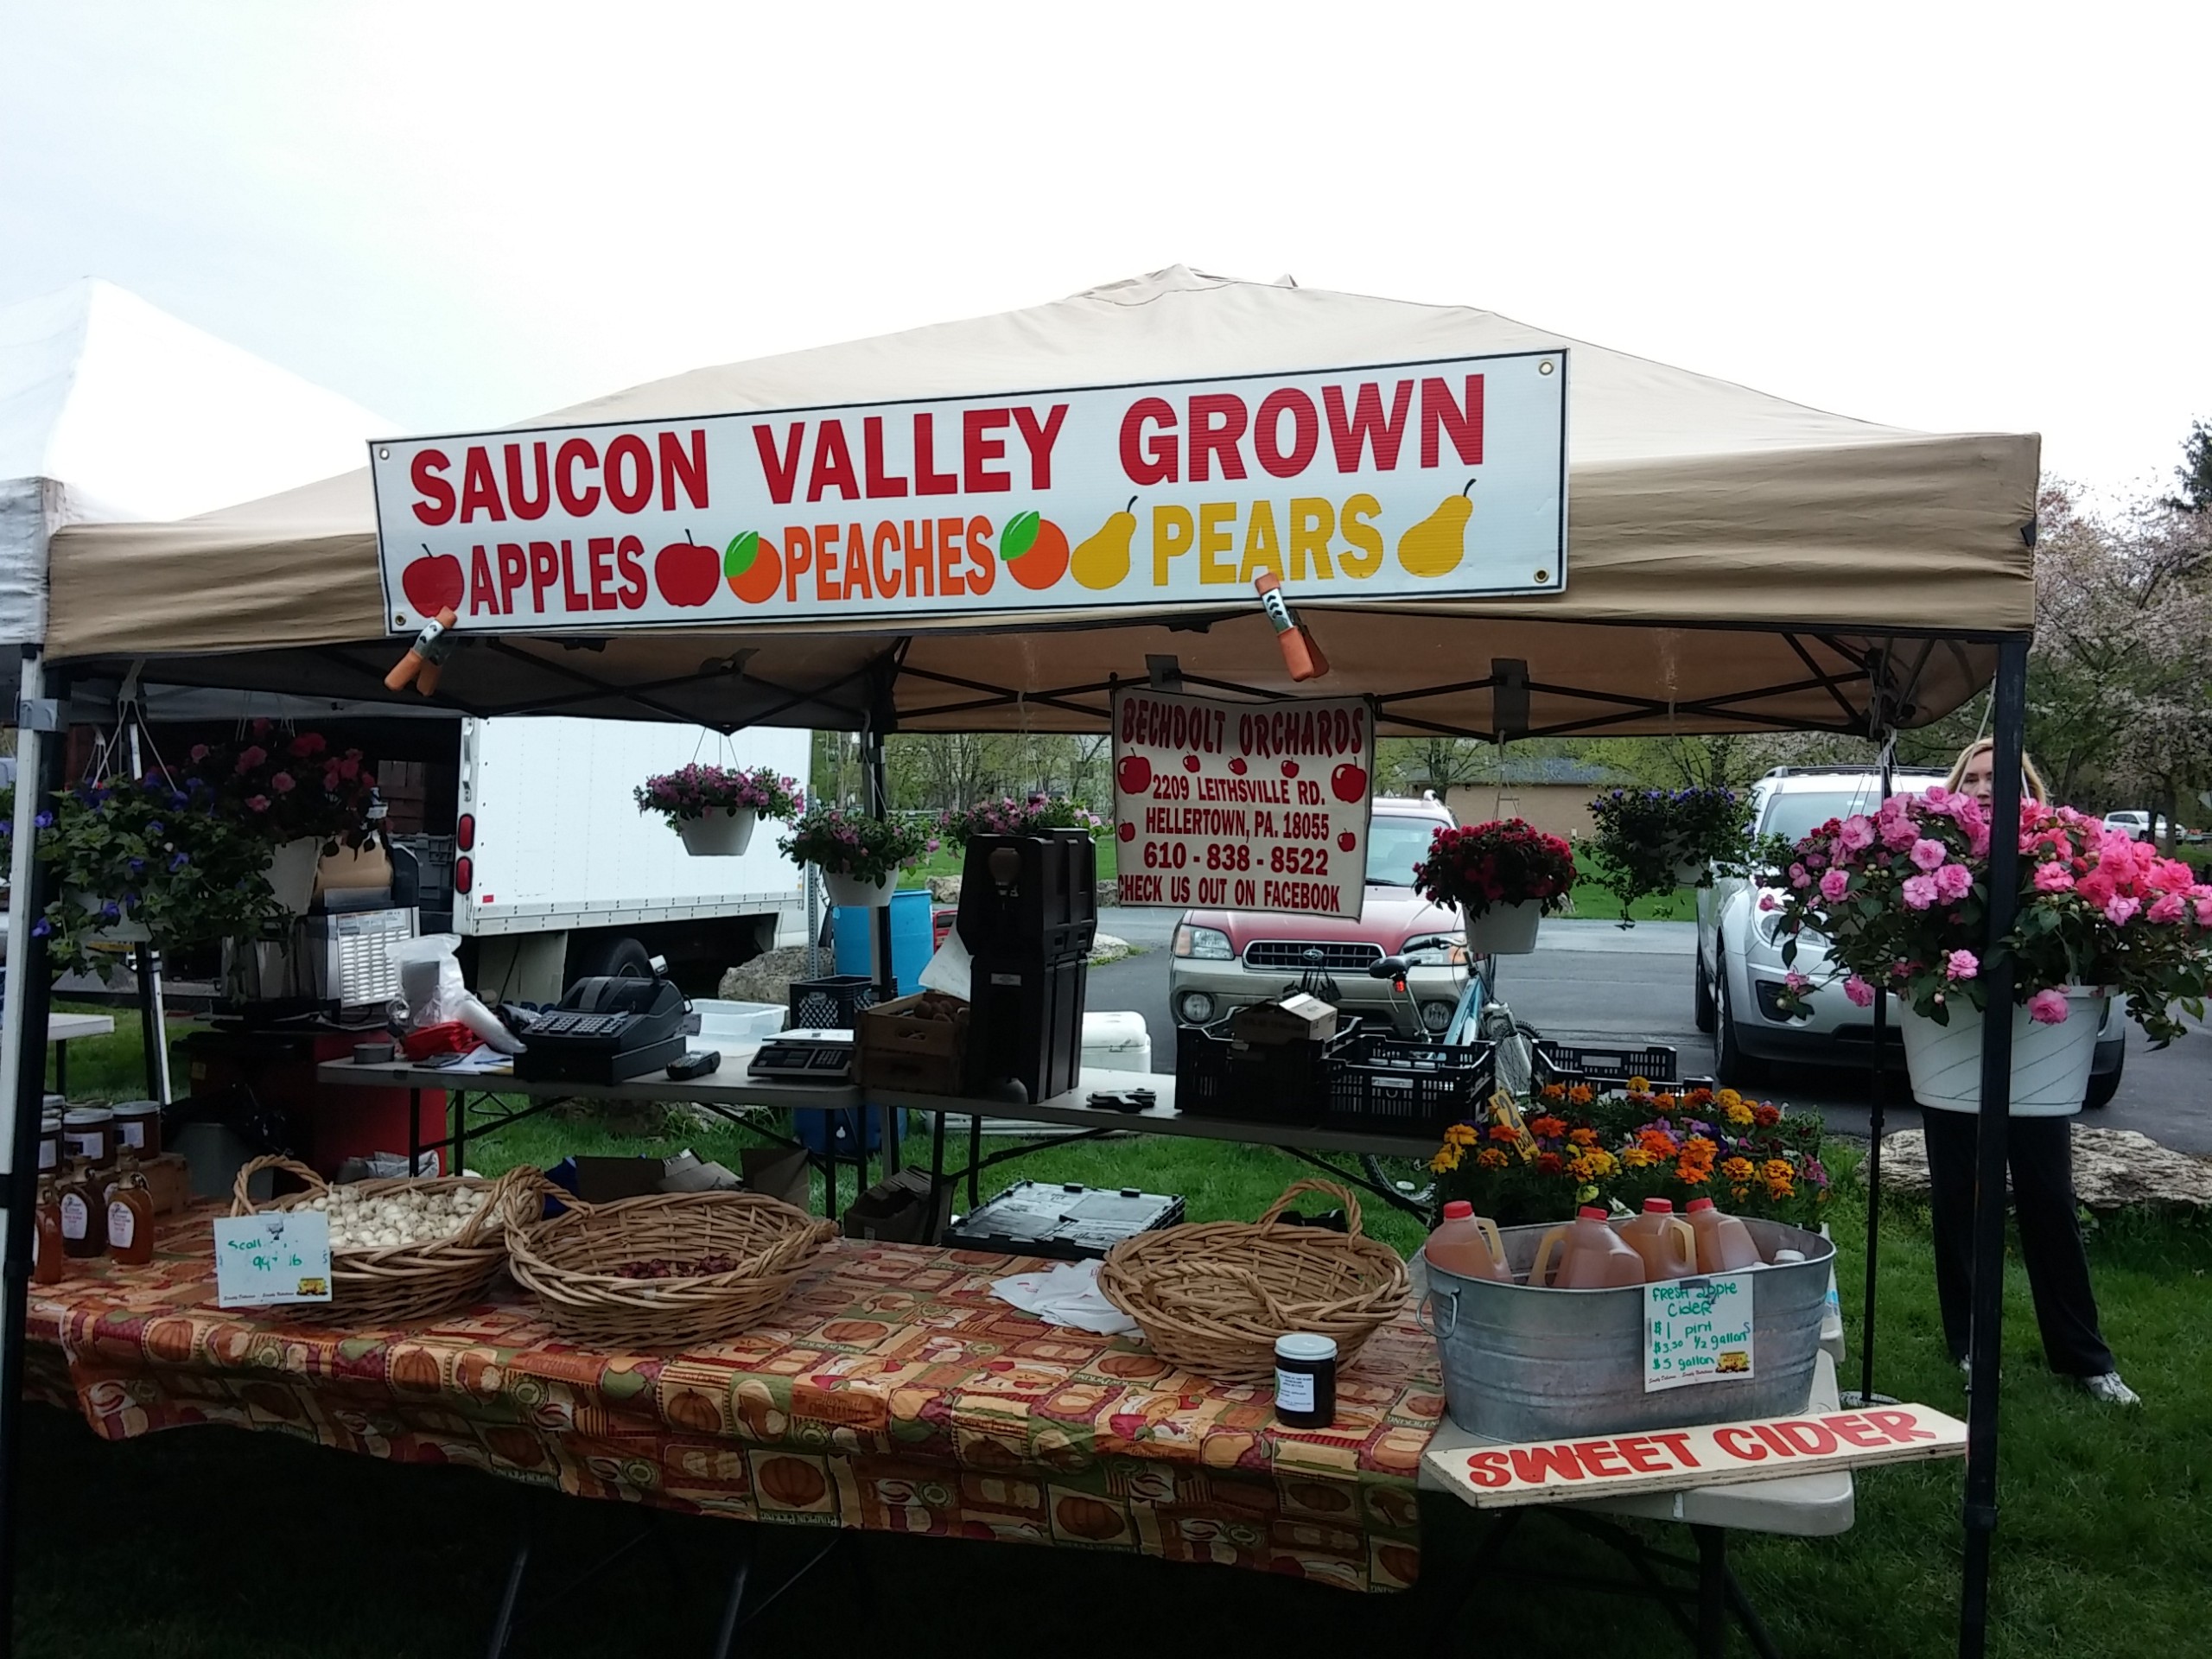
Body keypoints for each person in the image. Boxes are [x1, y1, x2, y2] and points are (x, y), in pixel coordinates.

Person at [1918, 739, 2138, 1404]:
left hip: (2037, 1047)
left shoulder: (2059, 857)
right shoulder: (1928, 862)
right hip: (1955, 1041)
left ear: (2028, 790)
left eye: (2000, 778)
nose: (1986, 788)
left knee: (2048, 1199)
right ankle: (1970, 1345)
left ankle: (2084, 1357)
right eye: (1975, 778)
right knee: (1959, 1199)